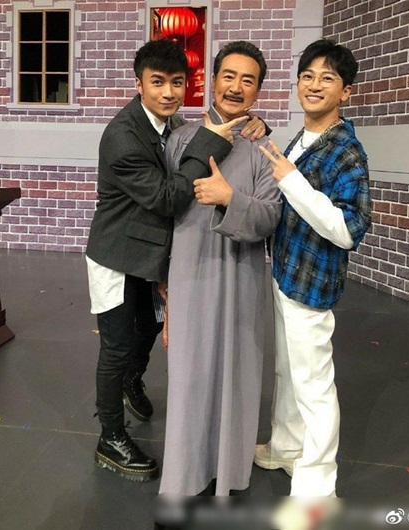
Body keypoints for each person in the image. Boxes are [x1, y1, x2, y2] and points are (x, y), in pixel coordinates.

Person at [86, 39, 264, 482]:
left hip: (151, 252)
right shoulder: (123, 136)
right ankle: (110, 438)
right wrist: (214, 141)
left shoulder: (172, 126)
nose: (168, 92)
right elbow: (168, 197)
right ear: (139, 84)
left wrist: (251, 124)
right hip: (117, 252)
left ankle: (132, 380)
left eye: (177, 83)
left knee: (149, 327)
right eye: (157, 82)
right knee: (116, 346)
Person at [158, 41, 282, 496]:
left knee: (237, 376)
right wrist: (162, 287)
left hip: (241, 277)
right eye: (228, 76)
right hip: (189, 274)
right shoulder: (180, 140)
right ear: (212, 81)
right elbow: (161, 210)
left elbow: (271, 216)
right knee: (189, 378)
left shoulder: (264, 148)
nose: (236, 87)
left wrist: (231, 199)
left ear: (258, 91)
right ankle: (182, 480)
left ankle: (228, 474)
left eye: (248, 80)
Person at [253, 38, 372, 497]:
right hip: (286, 271)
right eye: (307, 76)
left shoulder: (347, 152)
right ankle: (286, 447)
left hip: (312, 281)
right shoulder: (303, 138)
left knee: (314, 384)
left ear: (346, 91)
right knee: (287, 370)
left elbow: (348, 229)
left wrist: (293, 182)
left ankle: (318, 485)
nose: (314, 85)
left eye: (327, 78)